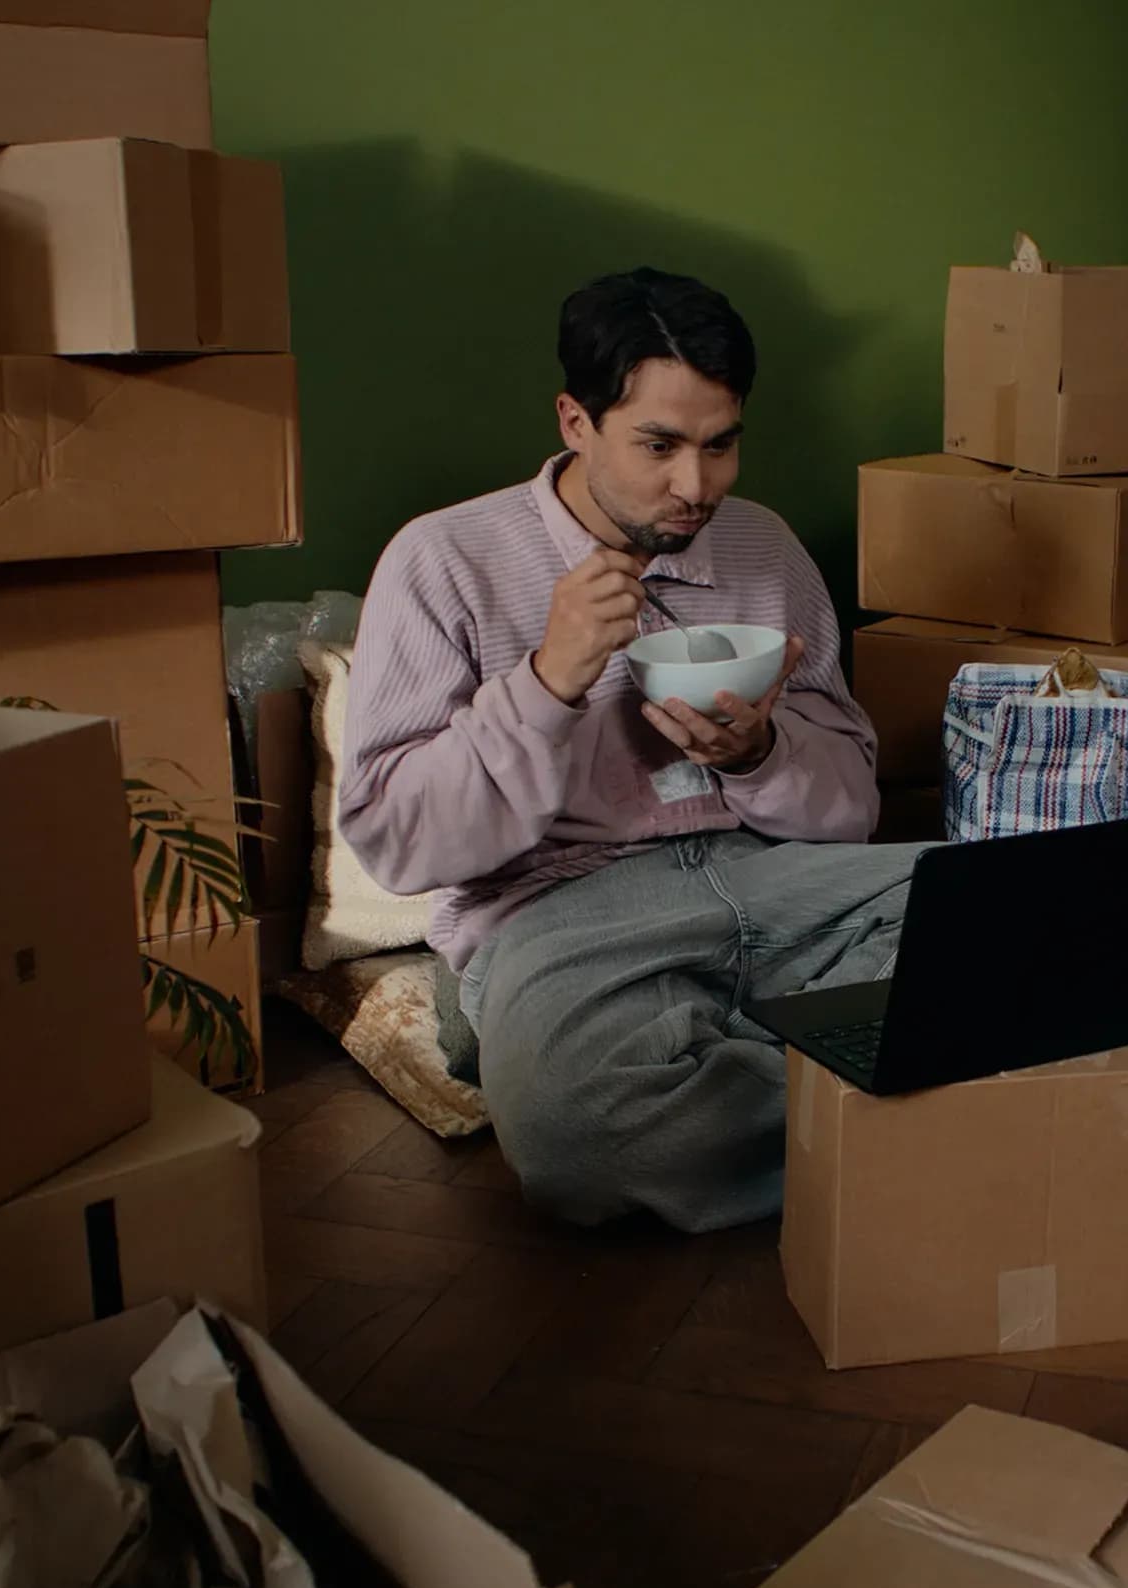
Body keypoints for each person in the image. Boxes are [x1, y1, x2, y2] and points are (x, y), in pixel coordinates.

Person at [338, 268, 921, 1232]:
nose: (697, 486)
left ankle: (737, 1065)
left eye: (721, 444)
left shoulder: (764, 550)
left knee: (1029, 922)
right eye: (659, 445)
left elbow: (852, 806)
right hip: (560, 908)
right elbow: (398, 843)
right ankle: (879, 1093)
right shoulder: (443, 559)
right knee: (582, 1137)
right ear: (575, 421)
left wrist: (759, 754)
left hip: (774, 876)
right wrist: (545, 682)